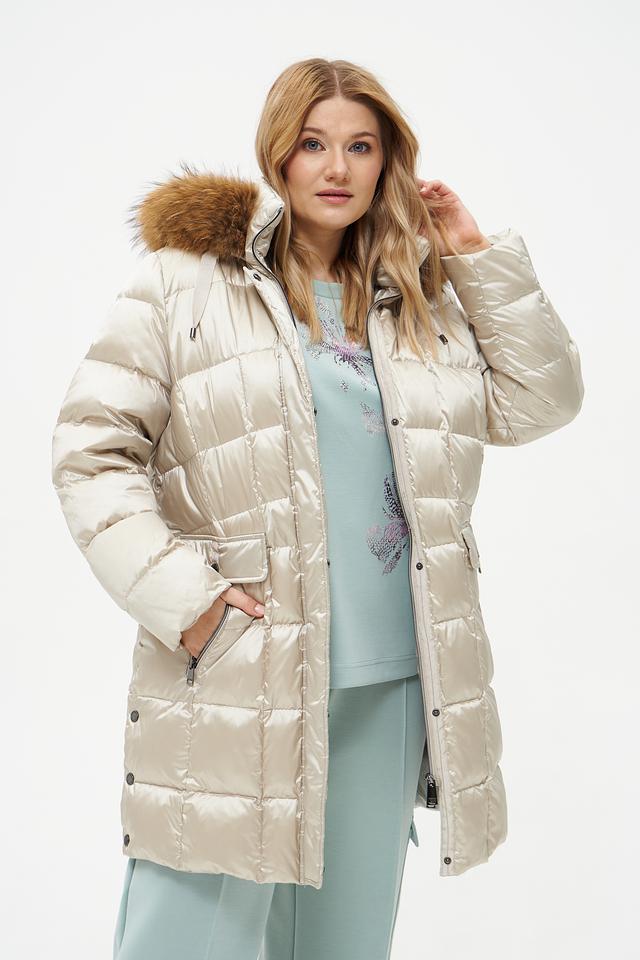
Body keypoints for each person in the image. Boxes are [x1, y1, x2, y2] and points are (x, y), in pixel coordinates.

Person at [50, 57, 584, 960]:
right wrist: (191, 604)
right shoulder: (188, 284)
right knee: (184, 943)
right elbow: (91, 455)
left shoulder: (419, 299)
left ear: (387, 163)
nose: (336, 167)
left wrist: (471, 253)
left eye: (361, 147)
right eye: (313, 144)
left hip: (390, 680)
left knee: (344, 947)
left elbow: (543, 401)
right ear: (279, 154)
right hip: (241, 669)